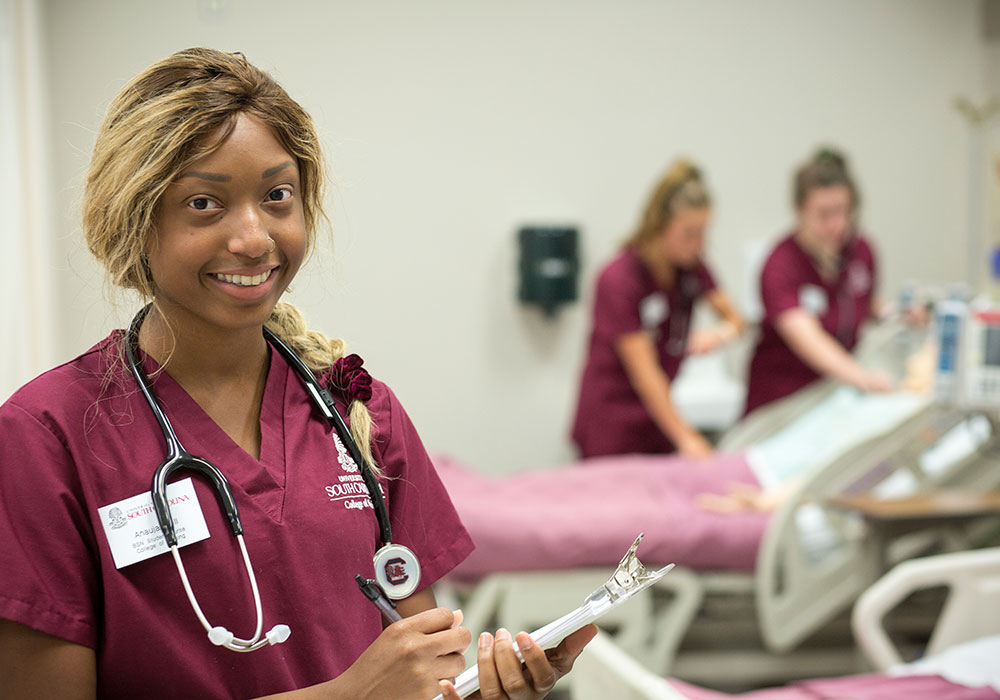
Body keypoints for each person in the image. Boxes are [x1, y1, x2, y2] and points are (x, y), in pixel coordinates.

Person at [0, 48, 595, 700]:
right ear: (134, 219)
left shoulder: (359, 410)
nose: (254, 237)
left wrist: (489, 687)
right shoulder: (46, 436)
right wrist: (346, 697)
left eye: (278, 195)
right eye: (205, 203)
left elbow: (428, 674)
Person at [571, 160, 745, 460]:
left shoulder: (690, 270)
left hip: (658, 423)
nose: (699, 244)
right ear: (659, 226)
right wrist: (688, 439)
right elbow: (645, 374)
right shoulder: (618, 279)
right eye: (689, 233)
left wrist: (720, 335)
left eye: (704, 232)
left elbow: (736, 320)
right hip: (613, 425)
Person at [743, 148, 893, 417]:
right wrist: (862, 377)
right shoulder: (780, 265)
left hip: (833, 402)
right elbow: (806, 335)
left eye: (842, 211)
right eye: (824, 214)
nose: (836, 225)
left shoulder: (861, 252)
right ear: (800, 211)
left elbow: (860, 303)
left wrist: (898, 313)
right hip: (780, 407)